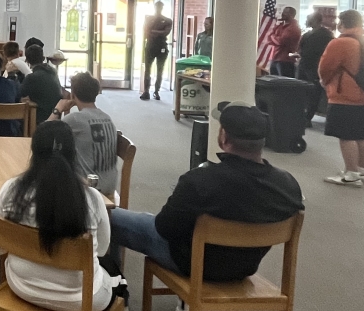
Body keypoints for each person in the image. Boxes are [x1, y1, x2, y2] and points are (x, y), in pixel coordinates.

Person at [110, 101, 304, 286]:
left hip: (191, 263)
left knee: (106, 215)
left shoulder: (200, 181)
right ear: (262, 141)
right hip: (244, 268)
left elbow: (164, 228)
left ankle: (114, 290)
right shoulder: (289, 185)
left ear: (224, 137)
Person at [0, 120, 122, 311]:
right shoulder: (93, 199)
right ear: (73, 154)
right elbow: (102, 250)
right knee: (114, 274)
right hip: (83, 299)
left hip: (22, 286)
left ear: (34, 152)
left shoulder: (11, 190)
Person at [319, 9, 364, 187]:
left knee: (346, 135)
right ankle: (362, 170)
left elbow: (325, 67)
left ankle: (351, 174)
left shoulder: (340, 43)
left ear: (341, 23)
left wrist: (324, 81)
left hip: (344, 94)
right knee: (360, 135)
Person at [47, 73, 118, 197]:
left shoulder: (76, 119)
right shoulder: (107, 118)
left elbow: (43, 133)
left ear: (73, 95)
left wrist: (57, 109)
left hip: (88, 189)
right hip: (110, 187)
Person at [296, 11, 334, 125]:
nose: (307, 20)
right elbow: (301, 49)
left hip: (315, 68)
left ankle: (308, 118)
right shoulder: (307, 34)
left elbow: (329, 51)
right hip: (303, 66)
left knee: (314, 94)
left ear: (317, 20)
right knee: (302, 92)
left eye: (309, 18)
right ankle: (301, 115)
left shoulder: (326, 35)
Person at [20, 44, 66, 126]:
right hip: (56, 116)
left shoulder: (31, 77)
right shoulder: (53, 72)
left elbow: (19, 97)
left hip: (40, 120)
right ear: (43, 58)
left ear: (27, 61)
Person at [141, 1, 172, 101]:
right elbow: (145, 32)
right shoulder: (149, 19)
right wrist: (159, 32)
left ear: (162, 7)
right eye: (157, 6)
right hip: (150, 45)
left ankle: (156, 91)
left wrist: (153, 31)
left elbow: (165, 33)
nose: (158, 8)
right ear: (154, 7)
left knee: (160, 70)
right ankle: (146, 91)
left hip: (161, 46)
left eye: (160, 6)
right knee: (147, 69)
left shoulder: (167, 20)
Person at [270, 6, 301, 77]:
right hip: (275, 58)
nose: (282, 14)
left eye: (285, 12)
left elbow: (280, 41)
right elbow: (271, 37)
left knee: (284, 84)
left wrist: (273, 37)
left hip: (285, 61)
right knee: (273, 84)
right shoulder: (281, 25)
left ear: (291, 15)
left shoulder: (293, 28)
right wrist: (273, 36)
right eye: (283, 12)